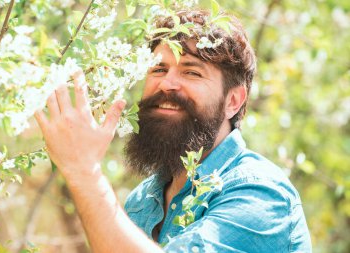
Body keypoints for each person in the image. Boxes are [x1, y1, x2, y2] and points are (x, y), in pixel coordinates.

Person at [34, 10, 312, 253]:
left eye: (191, 72)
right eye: (158, 69)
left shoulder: (261, 194)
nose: (167, 84)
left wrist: (84, 171)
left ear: (233, 101)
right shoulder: (142, 201)